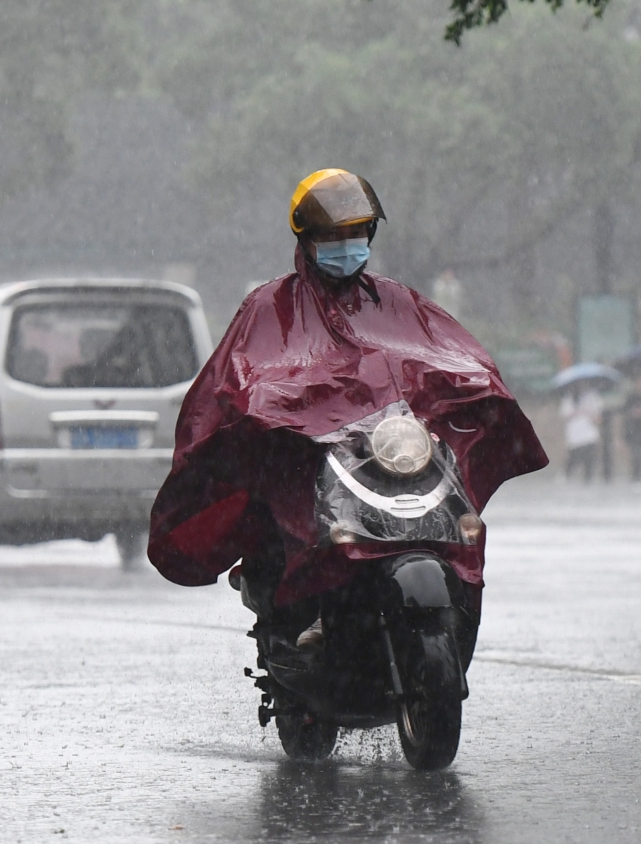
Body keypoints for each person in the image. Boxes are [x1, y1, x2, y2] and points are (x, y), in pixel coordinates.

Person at [147, 168, 546, 652]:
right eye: (335, 235)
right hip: (307, 456)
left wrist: (471, 384)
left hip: (388, 452)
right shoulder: (270, 305)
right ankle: (312, 608)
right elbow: (242, 376)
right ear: (308, 239)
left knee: (456, 518)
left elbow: (446, 354)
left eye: (356, 233)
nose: (347, 244)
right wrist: (286, 409)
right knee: (302, 512)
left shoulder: (397, 300)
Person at [559, 383, 603, 482]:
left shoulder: (592, 396)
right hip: (575, 434)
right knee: (574, 457)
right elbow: (565, 414)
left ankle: (588, 478)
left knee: (590, 457)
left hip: (589, 433)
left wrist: (592, 414)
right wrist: (579, 412)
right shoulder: (568, 398)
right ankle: (566, 474)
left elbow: (598, 416)